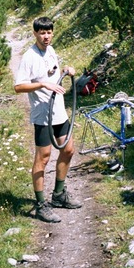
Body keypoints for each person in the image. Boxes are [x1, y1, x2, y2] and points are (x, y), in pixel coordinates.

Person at [14, 16, 82, 223]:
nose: (46, 37)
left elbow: (51, 73)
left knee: (68, 150)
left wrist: (66, 71)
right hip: (42, 116)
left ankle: (59, 194)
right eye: (42, 33)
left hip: (59, 112)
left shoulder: (51, 51)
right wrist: (43, 85)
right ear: (35, 33)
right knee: (43, 158)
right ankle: (41, 204)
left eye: (49, 32)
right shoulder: (29, 57)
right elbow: (19, 87)